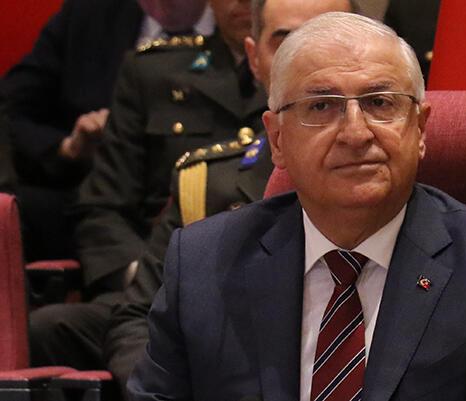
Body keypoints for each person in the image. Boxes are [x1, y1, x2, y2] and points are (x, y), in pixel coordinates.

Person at [129, 12, 466, 401]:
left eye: (380, 103)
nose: (356, 133)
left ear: (419, 129)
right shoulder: (203, 264)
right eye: (322, 106)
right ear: (277, 139)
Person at [102, 0, 356, 393]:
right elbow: (138, 319)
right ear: (255, 59)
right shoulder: (207, 182)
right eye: (287, 42)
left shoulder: (396, 177)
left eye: (329, 37)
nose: (310, 61)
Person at [28, 0, 260, 386]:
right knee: (49, 328)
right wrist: (145, 274)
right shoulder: (153, 71)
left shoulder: (311, 87)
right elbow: (102, 205)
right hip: (156, 278)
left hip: (261, 282)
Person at [0, 0, 213, 261]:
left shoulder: (241, 21)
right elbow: (11, 114)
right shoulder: (91, 14)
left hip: (199, 207)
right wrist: (66, 148)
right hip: (93, 202)